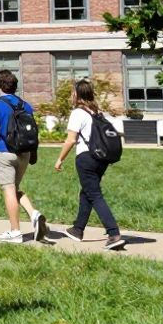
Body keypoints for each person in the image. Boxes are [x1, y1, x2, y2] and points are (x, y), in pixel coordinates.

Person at [54, 79, 126, 250]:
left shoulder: (78, 113)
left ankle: (113, 233)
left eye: (73, 92)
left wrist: (60, 159)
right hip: (101, 159)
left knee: (94, 194)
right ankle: (77, 229)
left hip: (86, 158)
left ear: (77, 94)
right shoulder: (96, 112)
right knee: (87, 192)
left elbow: (71, 140)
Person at [0, 70, 47, 243]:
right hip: (24, 153)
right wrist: (34, 153)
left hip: (5, 153)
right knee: (15, 188)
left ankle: (15, 232)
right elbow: (33, 132)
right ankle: (34, 214)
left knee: (9, 190)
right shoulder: (25, 105)